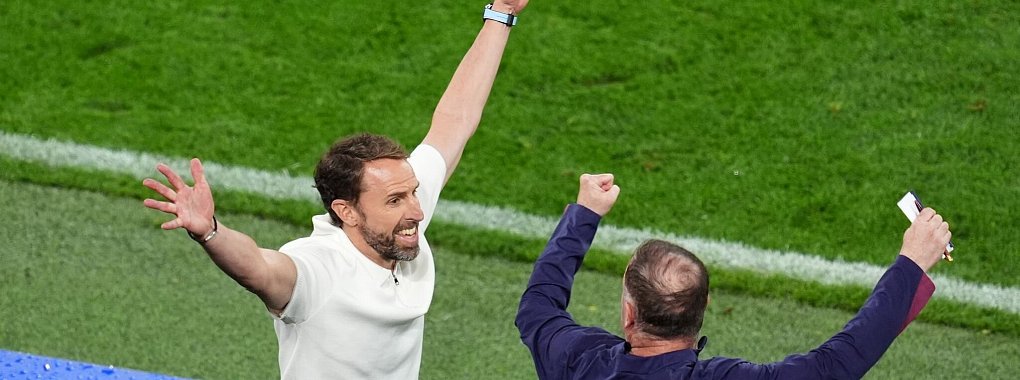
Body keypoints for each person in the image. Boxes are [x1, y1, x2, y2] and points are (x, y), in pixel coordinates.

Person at [142, 1, 529, 378]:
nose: (416, 211)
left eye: (412, 193)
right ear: (347, 212)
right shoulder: (319, 270)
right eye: (395, 200)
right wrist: (210, 232)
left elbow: (455, 120)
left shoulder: (397, 216)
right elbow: (258, 269)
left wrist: (501, 13)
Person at [516, 173, 951, 379]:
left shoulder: (578, 361)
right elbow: (840, 360)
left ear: (630, 314)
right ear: (703, 307)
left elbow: (538, 306)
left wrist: (584, 215)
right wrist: (911, 263)